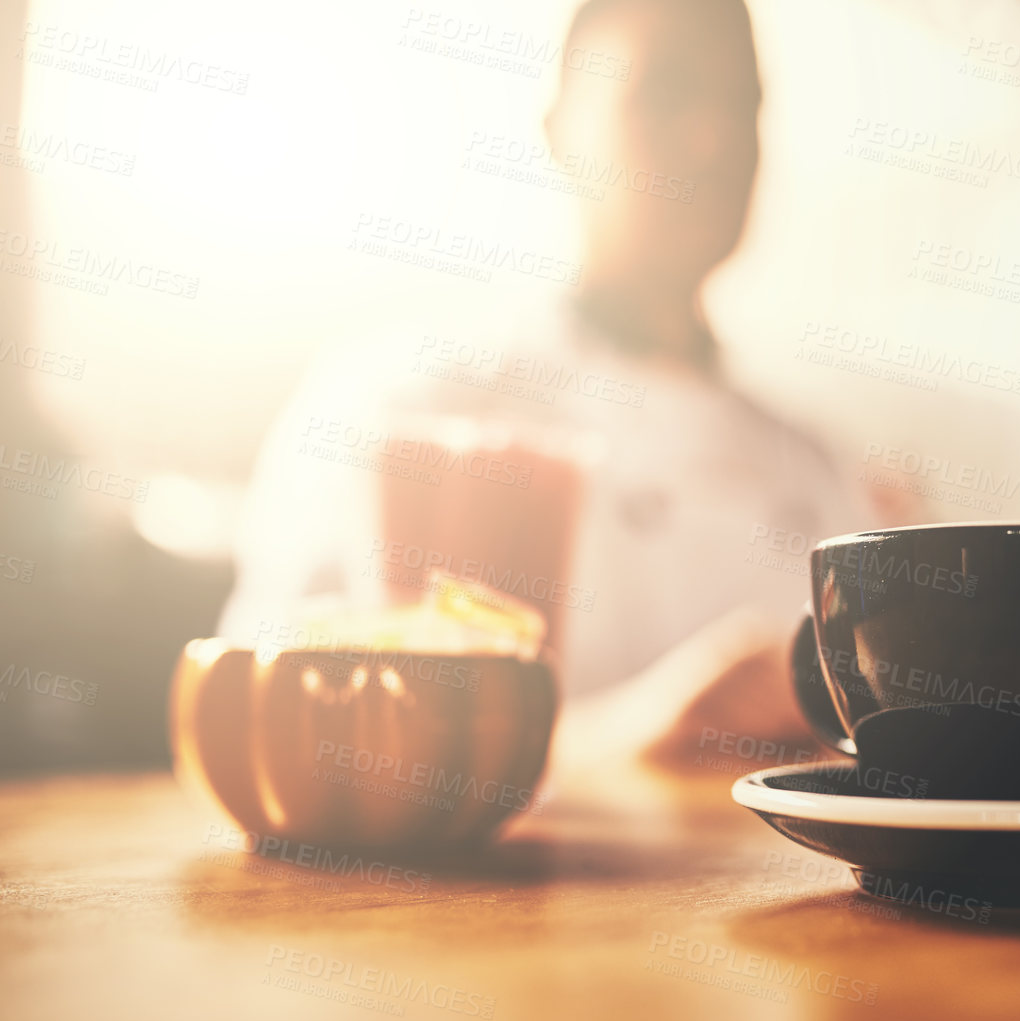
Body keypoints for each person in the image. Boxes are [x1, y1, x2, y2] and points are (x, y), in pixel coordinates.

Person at [220, 0, 871, 769]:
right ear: (558, 129)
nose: (714, 138)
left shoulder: (815, 467)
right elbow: (261, 721)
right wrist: (606, 735)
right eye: (665, 94)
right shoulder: (403, 401)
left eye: (743, 104)